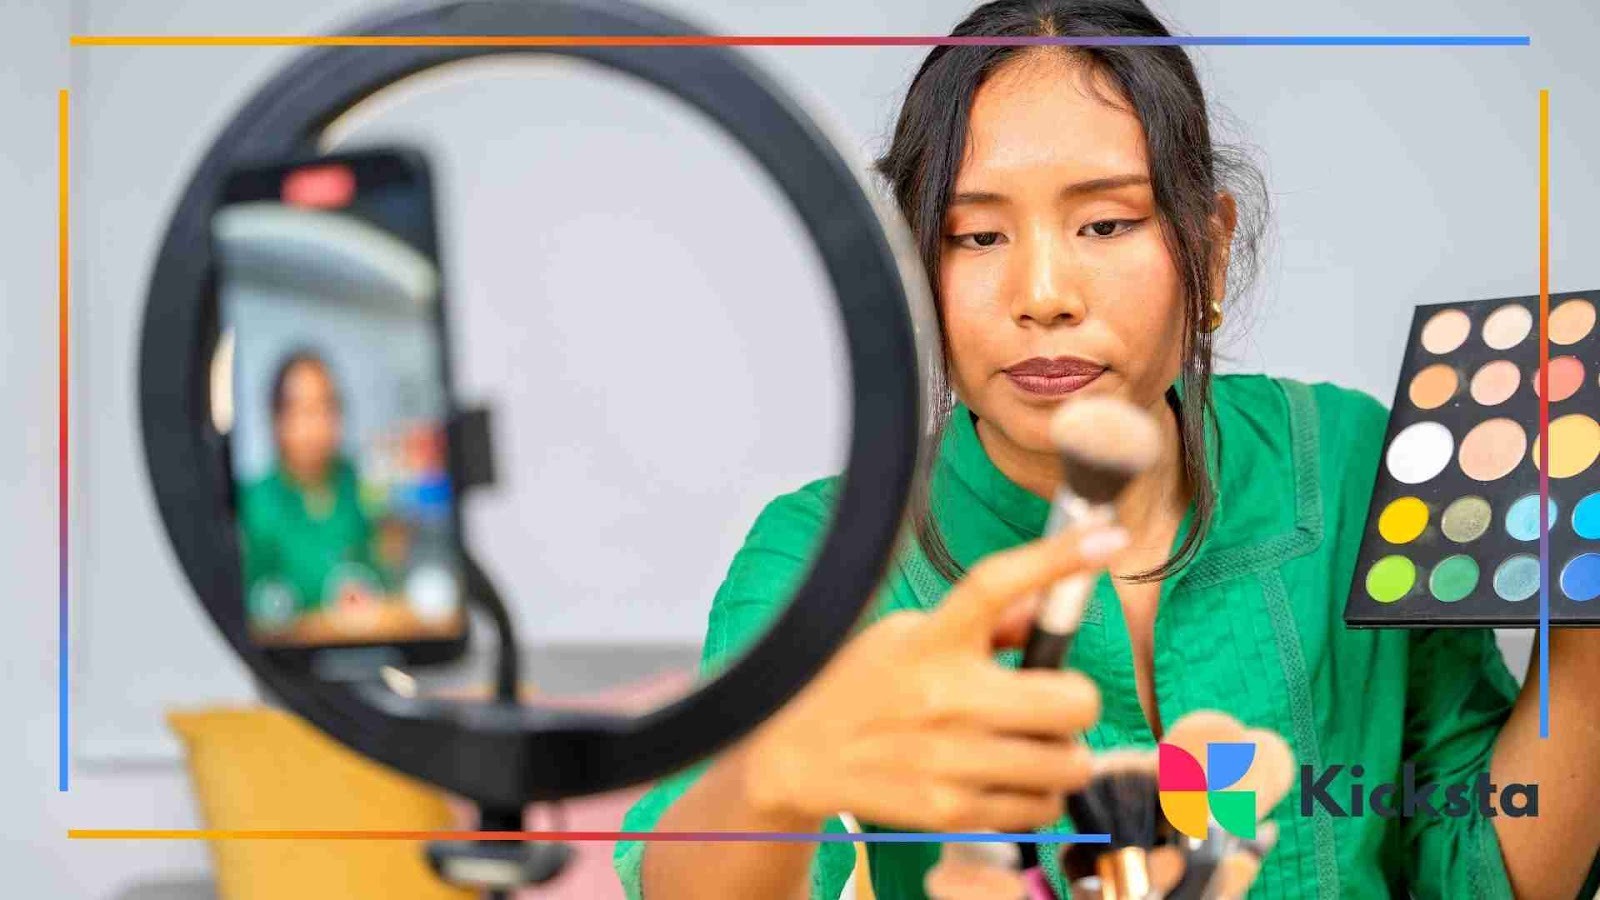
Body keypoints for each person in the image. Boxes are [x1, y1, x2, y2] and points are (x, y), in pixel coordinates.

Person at [614, 1, 1600, 897]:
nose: (1044, 293)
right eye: (975, 236)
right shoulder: (818, 558)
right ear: (916, 270)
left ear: (1207, 249)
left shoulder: (1353, 467)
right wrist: (777, 779)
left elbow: (1473, 873)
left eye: (1105, 221)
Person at [239, 349, 389, 622]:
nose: (318, 425)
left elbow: (383, 570)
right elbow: (250, 600)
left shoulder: (359, 483)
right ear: (278, 420)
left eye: (327, 408)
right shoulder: (252, 502)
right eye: (305, 410)